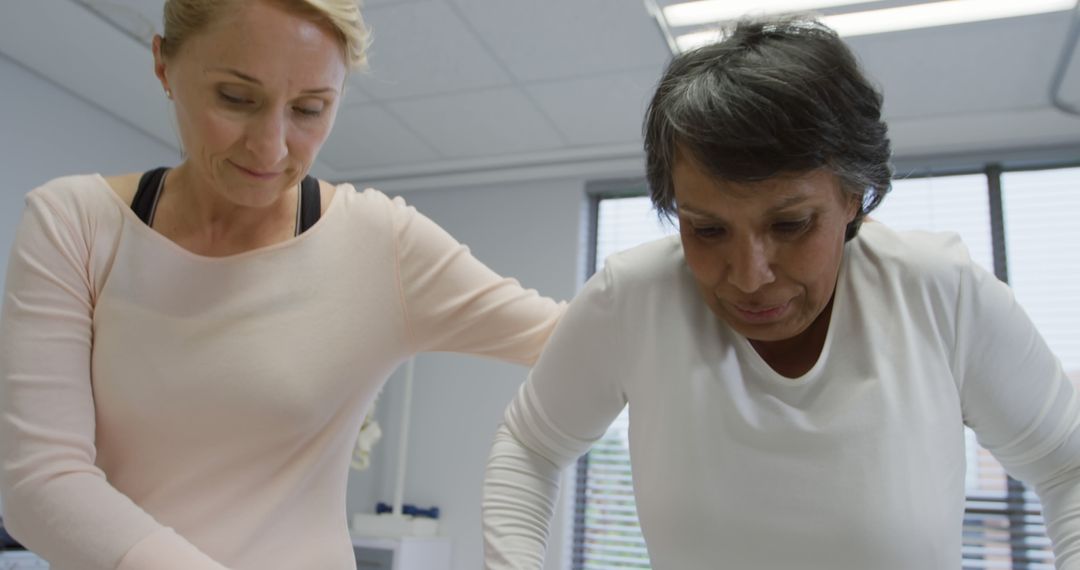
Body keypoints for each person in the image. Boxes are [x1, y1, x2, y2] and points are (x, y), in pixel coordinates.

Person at [481, 17, 1080, 569]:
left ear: (854, 198)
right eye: (707, 229)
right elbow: (530, 448)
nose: (749, 275)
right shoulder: (633, 299)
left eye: (790, 225)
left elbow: (1068, 465)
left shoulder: (938, 292)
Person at [0, 1, 563, 569]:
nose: (271, 147)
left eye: (310, 109)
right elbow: (40, 482)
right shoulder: (75, 223)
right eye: (236, 99)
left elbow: (577, 338)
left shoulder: (379, 243)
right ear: (164, 66)